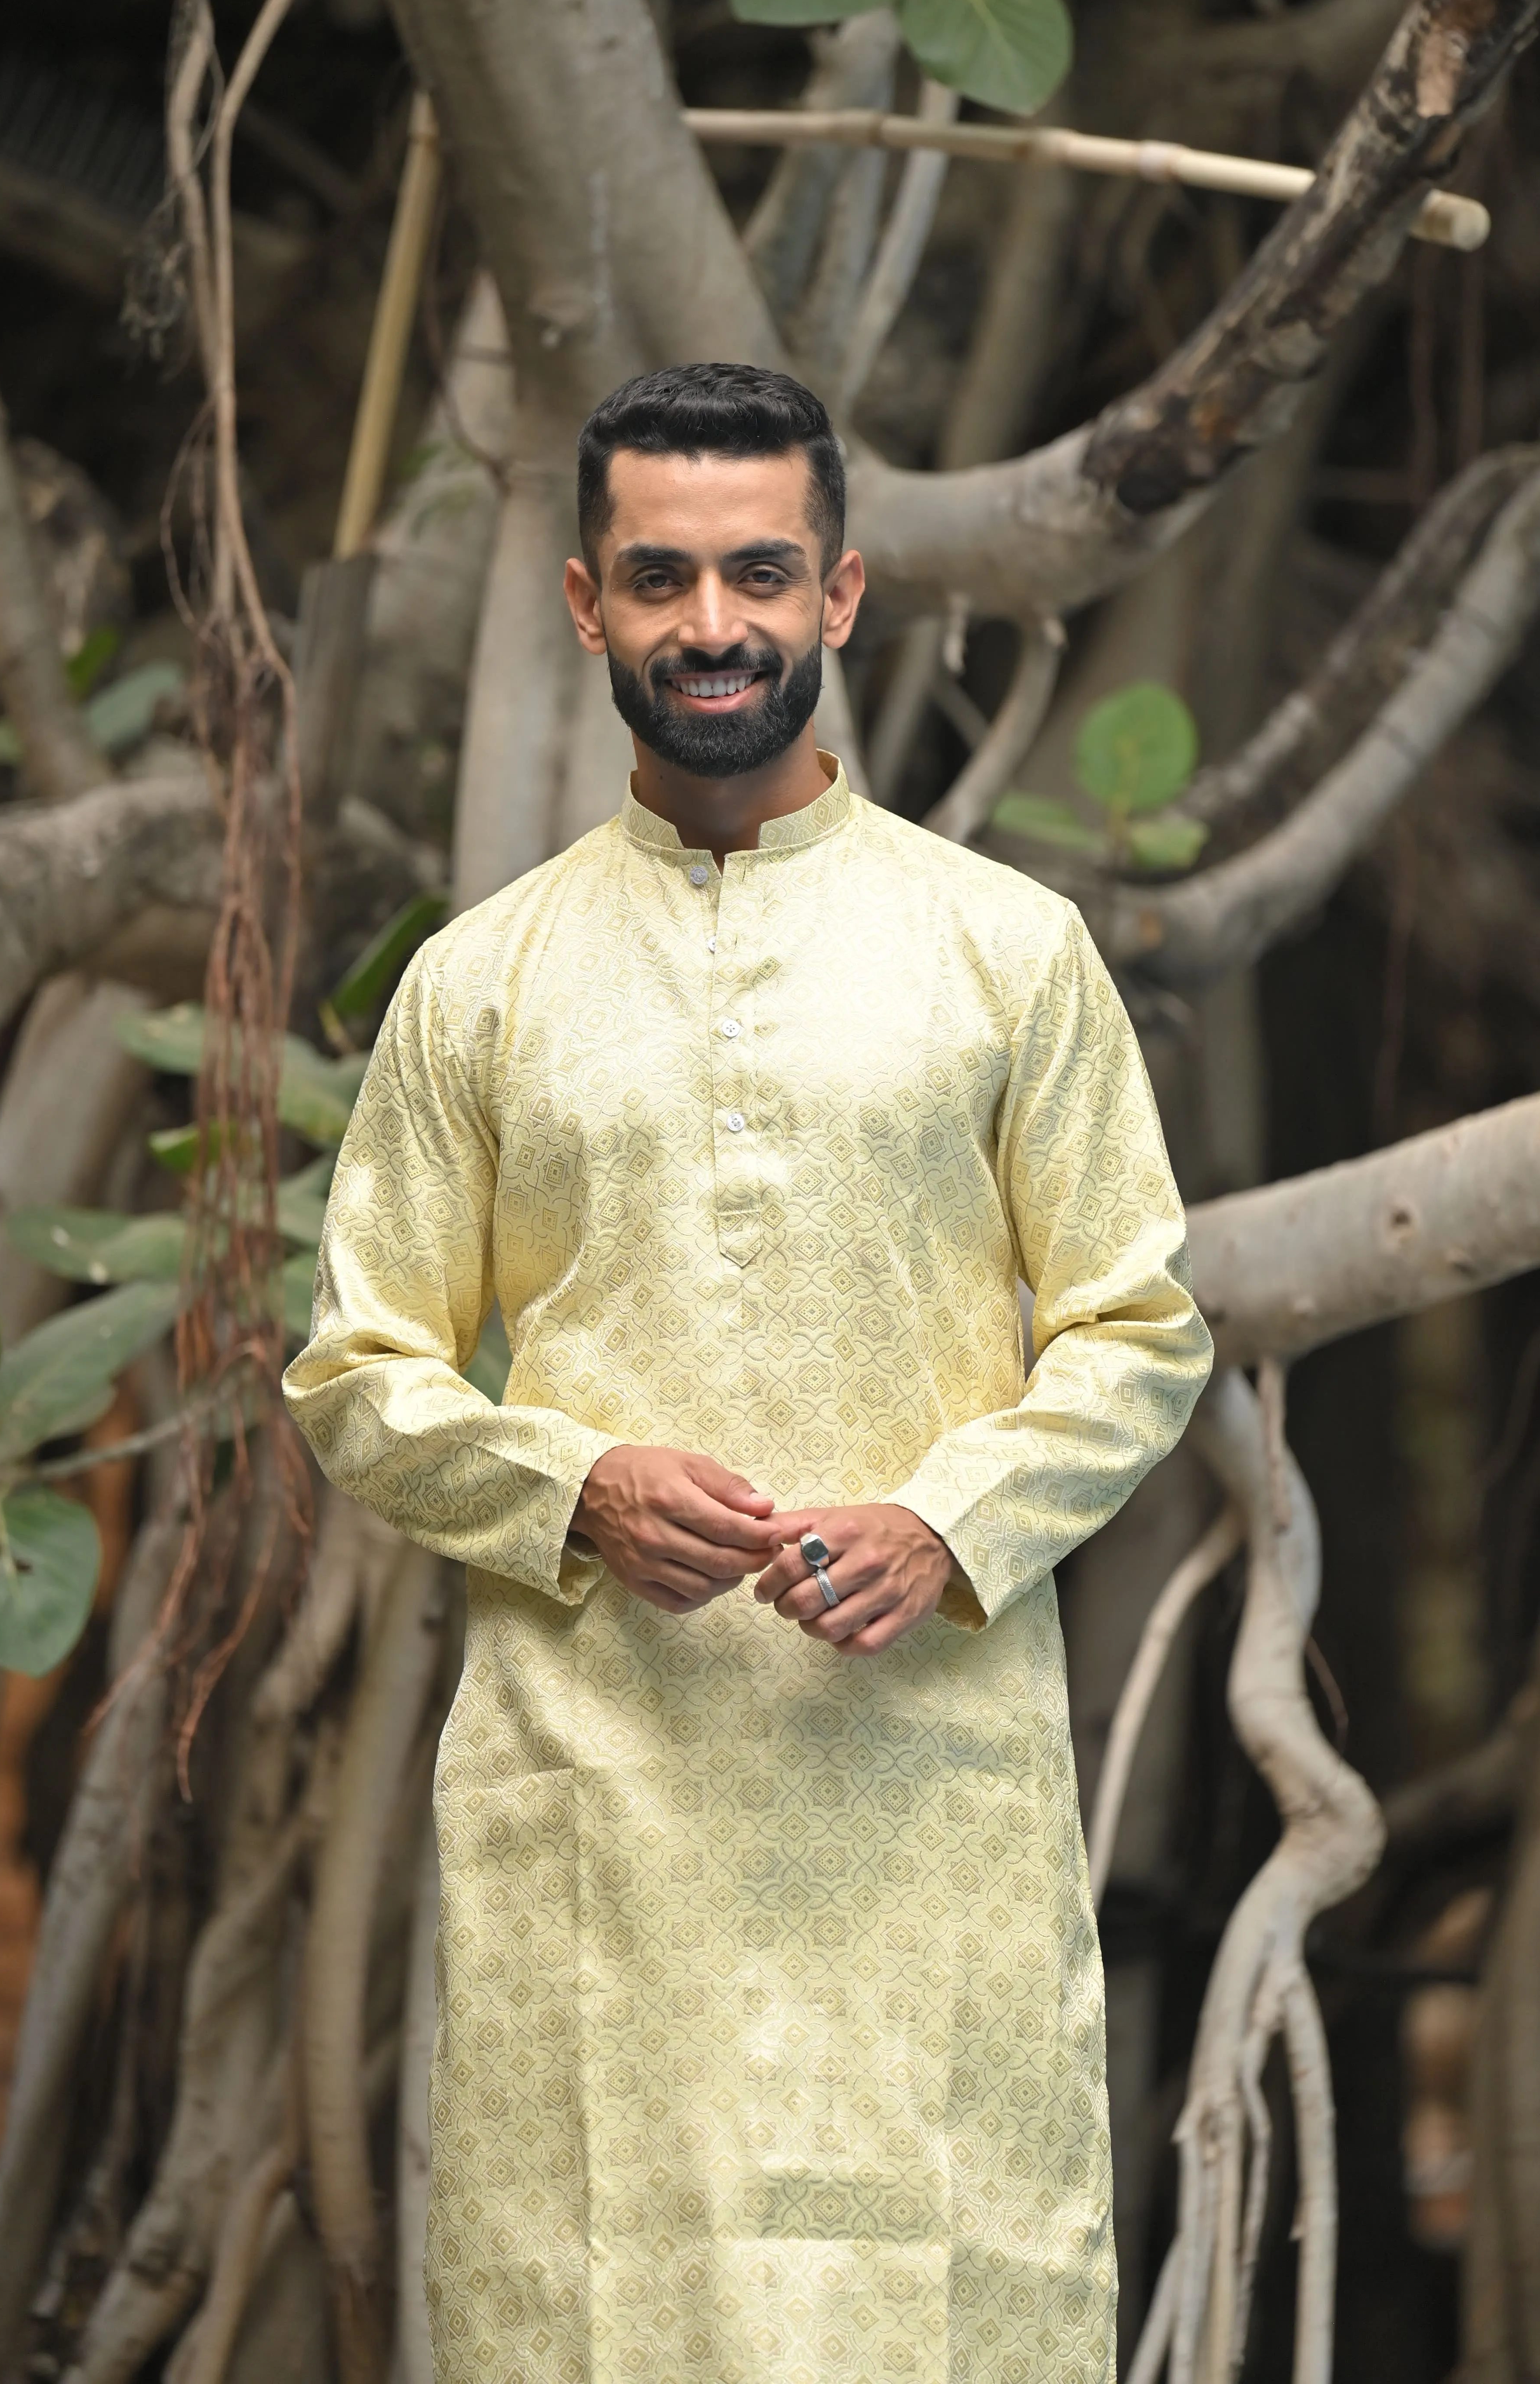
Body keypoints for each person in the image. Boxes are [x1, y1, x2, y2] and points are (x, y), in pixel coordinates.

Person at [284, 362, 1213, 2384]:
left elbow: (1143, 1325)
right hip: (604, 1806)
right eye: (664, 579)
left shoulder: (1009, 952)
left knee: (940, 2310)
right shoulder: (483, 981)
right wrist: (571, 1491)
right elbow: (357, 1369)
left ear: (844, 596)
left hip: (921, 1800)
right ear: (584, 604)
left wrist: (951, 1524)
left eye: (760, 575)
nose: (714, 625)